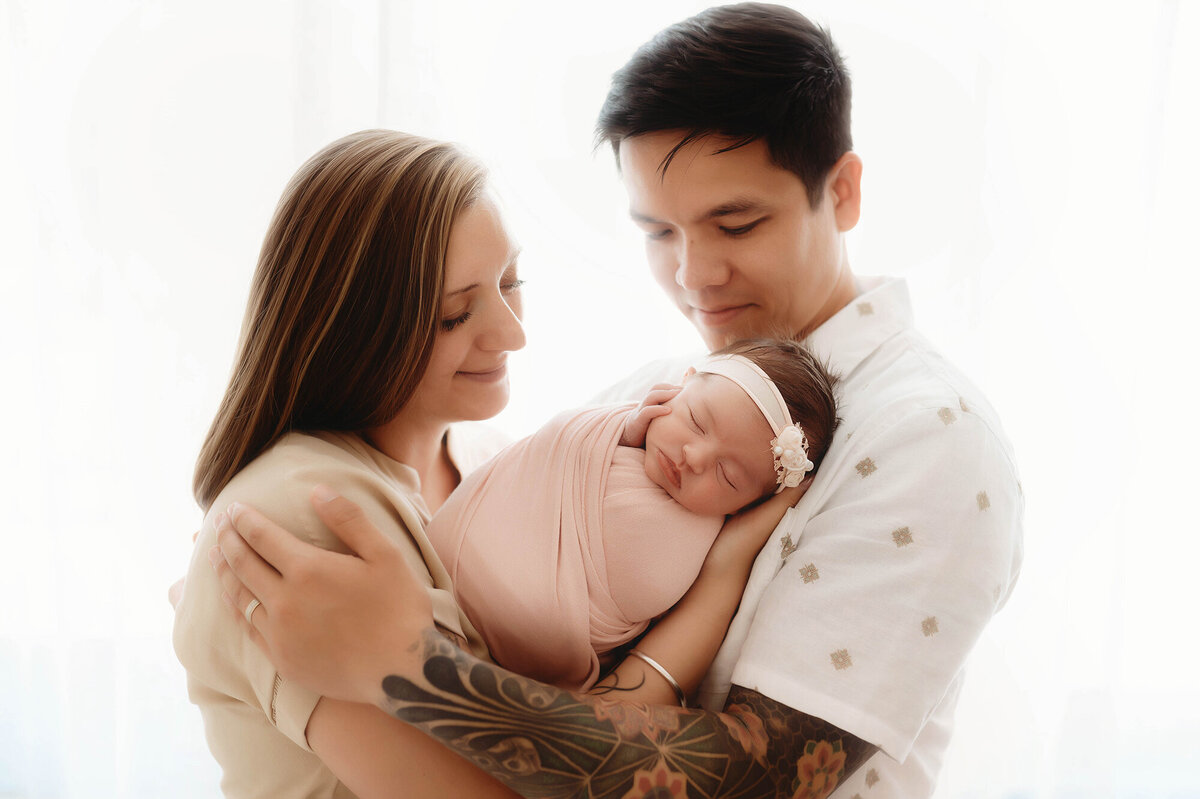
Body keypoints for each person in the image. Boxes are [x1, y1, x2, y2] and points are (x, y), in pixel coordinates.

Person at [210, 4, 1024, 798]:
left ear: (842, 191)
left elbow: (751, 778)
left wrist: (413, 664)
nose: (693, 275)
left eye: (735, 224)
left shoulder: (928, 437)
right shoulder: (662, 393)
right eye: (659, 233)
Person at [173, 129, 531, 798]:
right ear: (354, 327)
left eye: (513, 282)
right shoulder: (301, 514)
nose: (514, 332)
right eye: (456, 315)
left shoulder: (494, 458)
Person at [429, 338, 838, 693]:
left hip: (519, 658)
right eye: (695, 421)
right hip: (438, 570)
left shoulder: (706, 543)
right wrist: (622, 430)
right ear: (678, 388)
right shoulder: (610, 431)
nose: (693, 457)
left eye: (727, 476)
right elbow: (553, 445)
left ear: (746, 506)